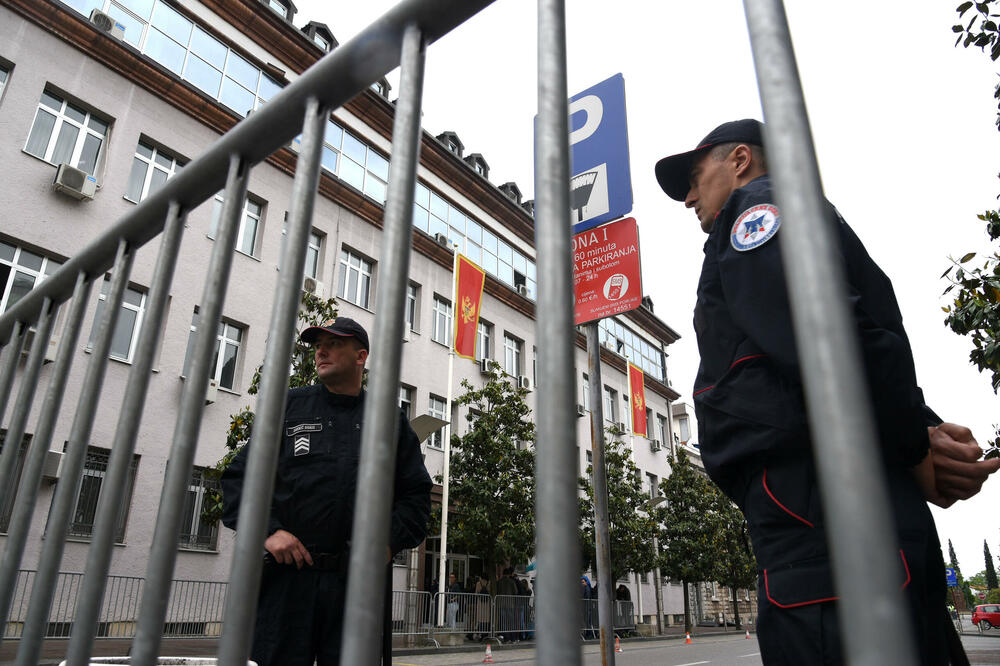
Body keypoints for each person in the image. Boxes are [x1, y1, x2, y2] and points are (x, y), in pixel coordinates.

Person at [654, 119, 1000, 665]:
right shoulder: (798, 213)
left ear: (740, 160)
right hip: (839, 506)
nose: (689, 198)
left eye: (695, 178)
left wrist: (917, 452)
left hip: (815, 513)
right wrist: (921, 430)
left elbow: (826, 336)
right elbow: (848, 336)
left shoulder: (756, 208)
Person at [220, 317, 432, 666]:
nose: (321, 351)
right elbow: (239, 478)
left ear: (361, 356)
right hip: (288, 583)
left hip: (355, 585)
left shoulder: (388, 421)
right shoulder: (290, 407)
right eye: (318, 345)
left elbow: (416, 496)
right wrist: (269, 531)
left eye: (333, 344)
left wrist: (387, 542)